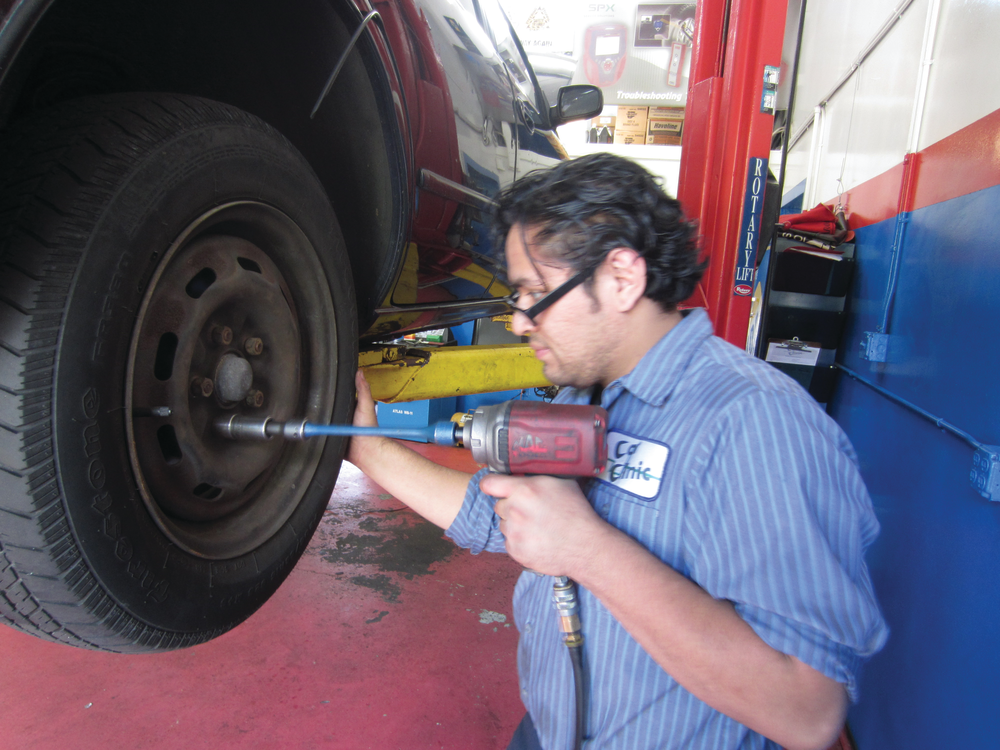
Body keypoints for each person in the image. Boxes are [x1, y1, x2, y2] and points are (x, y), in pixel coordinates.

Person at [347, 152, 887, 750]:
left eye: (534, 292)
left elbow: (807, 712)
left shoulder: (758, 425)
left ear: (622, 278)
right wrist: (367, 449)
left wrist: (587, 549)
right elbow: (496, 514)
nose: (520, 321)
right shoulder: (589, 393)